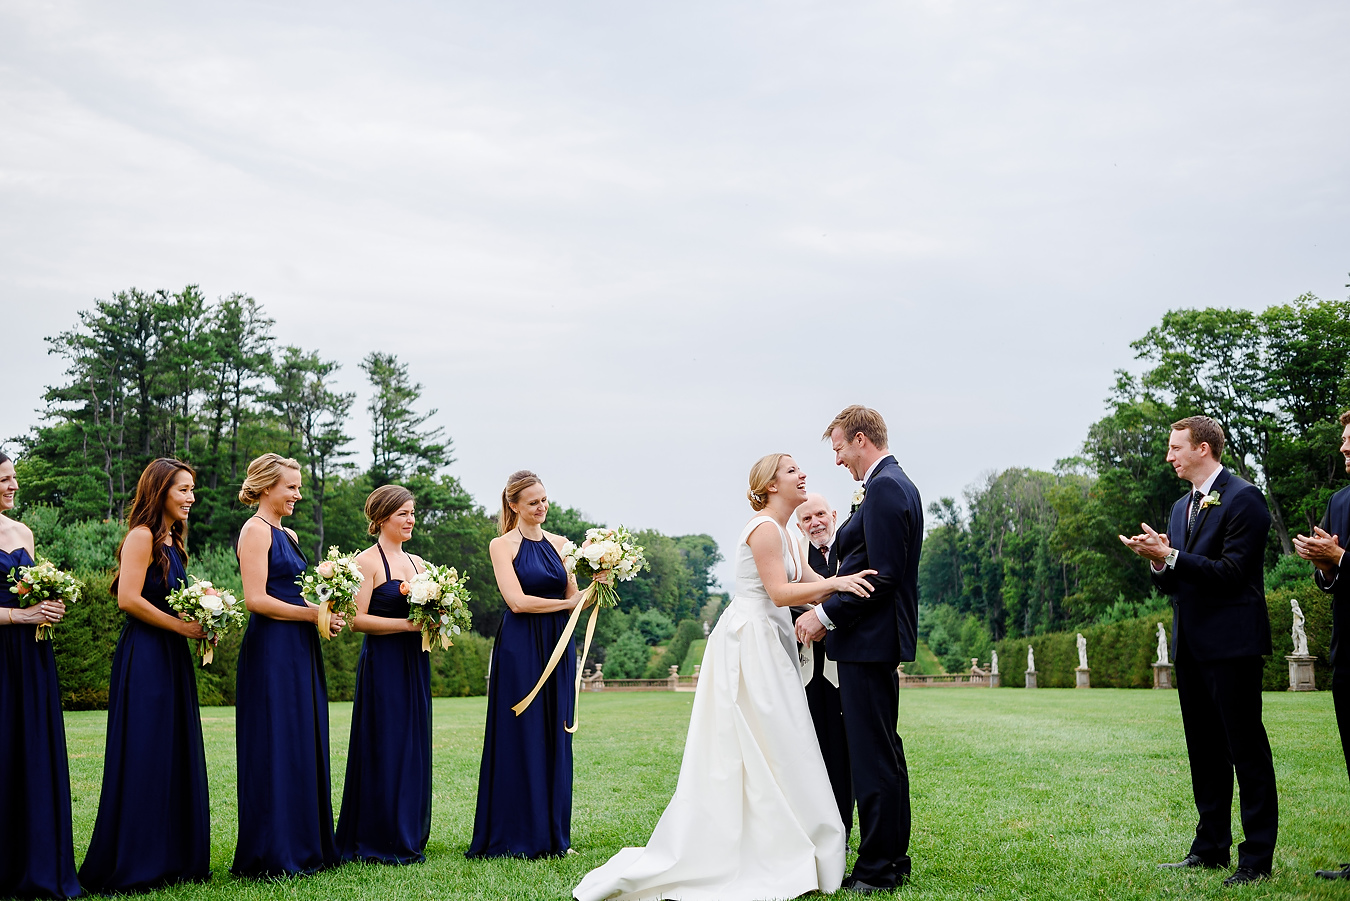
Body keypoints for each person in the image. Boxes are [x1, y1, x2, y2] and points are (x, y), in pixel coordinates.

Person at [575, 453, 875, 901]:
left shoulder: (789, 533)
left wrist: (842, 593)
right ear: (771, 485)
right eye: (793, 471)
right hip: (750, 645)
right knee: (768, 737)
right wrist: (836, 587)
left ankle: (794, 839)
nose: (803, 475)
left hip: (772, 642)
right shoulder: (762, 529)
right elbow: (780, 592)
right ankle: (755, 847)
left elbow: (812, 579)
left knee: (786, 740)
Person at [1120, 415, 1277, 887]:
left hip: (1233, 646)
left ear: (1203, 449)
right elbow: (1176, 580)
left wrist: (1170, 557)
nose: (1169, 456)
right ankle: (1209, 847)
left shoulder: (1245, 499)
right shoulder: (1177, 507)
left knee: (1245, 750)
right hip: (1190, 644)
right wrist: (1159, 560)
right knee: (1203, 751)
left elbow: (1231, 573)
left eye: (1175, 447)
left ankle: (1255, 859)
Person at [796, 405, 923, 893]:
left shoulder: (887, 487)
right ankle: (892, 859)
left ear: (861, 439)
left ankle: (875, 870)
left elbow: (885, 575)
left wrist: (824, 616)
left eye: (839, 447)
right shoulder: (888, 484)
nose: (836, 459)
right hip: (871, 642)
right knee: (885, 753)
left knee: (873, 758)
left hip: (868, 643)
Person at [79, 458, 211, 892]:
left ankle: (173, 854)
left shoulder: (174, 542)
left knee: (173, 749)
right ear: (160, 491)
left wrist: (205, 614)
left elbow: (171, 599)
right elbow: (128, 600)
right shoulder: (141, 537)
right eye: (184, 490)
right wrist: (180, 626)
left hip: (172, 656)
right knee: (146, 750)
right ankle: (138, 859)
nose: (191, 498)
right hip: (146, 657)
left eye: (192, 490)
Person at [232, 453, 344, 877]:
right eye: (291, 487)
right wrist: (312, 615)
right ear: (265, 488)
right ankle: (273, 850)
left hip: (299, 648)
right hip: (271, 651)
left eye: (298, 487)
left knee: (302, 738)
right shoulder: (254, 531)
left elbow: (299, 596)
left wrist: (326, 609)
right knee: (275, 742)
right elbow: (256, 600)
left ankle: (307, 843)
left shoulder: (290, 534)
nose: (298, 493)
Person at [468, 470, 581, 858]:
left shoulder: (563, 544)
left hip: (558, 643)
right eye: (533, 502)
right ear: (513, 505)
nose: (542, 507)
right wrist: (568, 604)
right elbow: (516, 601)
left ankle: (553, 836)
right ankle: (515, 833)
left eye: (545, 500)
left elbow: (575, 595)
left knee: (555, 729)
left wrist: (598, 583)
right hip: (520, 646)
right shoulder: (501, 545)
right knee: (522, 732)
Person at [0, 452, 81, 899]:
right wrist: (20, 615)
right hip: (2, 650)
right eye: (4, 480)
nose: (13, 486)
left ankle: (35, 861)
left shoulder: (23, 532)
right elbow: (16, 606)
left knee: (32, 751)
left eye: (14, 478)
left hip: (31, 656)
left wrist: (49, 607)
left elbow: (30, 591)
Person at [336, 484, 431, 865]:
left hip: (415, 663)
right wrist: (409, 626)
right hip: (383, 663)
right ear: (380, 519)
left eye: (412, 513)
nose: (410, 520)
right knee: (386, 743)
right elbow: (356, 621)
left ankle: (409, 830)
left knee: (414, 743)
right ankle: (377, 834)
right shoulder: (367, 562)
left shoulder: (420, 563)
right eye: (402, 514)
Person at [1294, 410, 1350, 880]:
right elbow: (1328, 582)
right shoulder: (1338, 500)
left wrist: (1342, 558)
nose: (1344, 448)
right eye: (1344, 440)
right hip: (1348, 650)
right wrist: (1326, 565)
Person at [793, 492, 853, 838]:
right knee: (808, 753)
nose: (815, 523)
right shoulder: (796, 558)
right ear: (800, 526)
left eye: (819, 515)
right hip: (803, 671)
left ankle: (841, 831)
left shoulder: (850, 547)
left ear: (832, 514)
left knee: (843, 756)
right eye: (806, 519)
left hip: (843, 669)